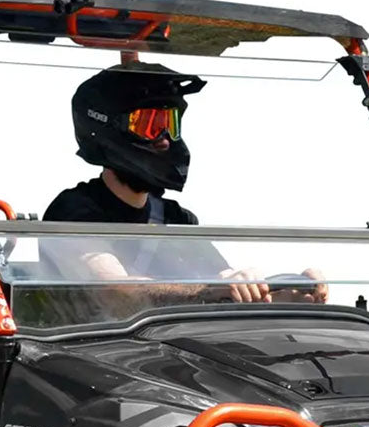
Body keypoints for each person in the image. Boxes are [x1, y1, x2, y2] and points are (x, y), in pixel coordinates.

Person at [44, 62, 326, 305]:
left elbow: (226, 285)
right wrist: (208, 291)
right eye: (150, 125)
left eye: (170, 124)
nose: (165, 139)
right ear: (106, 128)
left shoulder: (176, 219)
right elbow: (115, 292)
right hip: (91, 348)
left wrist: (290, 291)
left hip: (169, 348)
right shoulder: (73, 211)